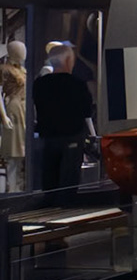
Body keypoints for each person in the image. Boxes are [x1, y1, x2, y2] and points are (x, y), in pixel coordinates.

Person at [32, 44, 92, 204]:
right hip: (72, 134)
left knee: (50, 172)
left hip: (49, 135)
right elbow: (87, 110)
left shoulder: (40, 84)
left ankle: (50, 202)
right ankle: (65, 205)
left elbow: (38, 107)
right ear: (68, 60)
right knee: (69, 175)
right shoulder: (77, 84)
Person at [0, 41, 26, 192]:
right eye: (20, 49)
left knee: (21, 151)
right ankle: (12, 187)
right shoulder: (4, 69)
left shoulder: (22, 69)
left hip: (23, 109)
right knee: (13, 151)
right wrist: (3, 116)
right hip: (13, 110)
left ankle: (18, 186)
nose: (24, 52)